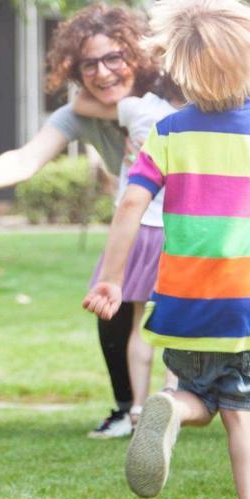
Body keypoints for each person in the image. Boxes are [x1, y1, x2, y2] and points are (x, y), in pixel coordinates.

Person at [83, 0, 250, 499]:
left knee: (199, 395)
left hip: (185, 300)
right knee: (243, 410)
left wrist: (112, 278)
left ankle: (171, 406)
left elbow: (131, 206)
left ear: (180, 67)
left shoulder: (167, 132)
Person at [0, 4, 173, 438]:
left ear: (135, 56)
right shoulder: (79, 112)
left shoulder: (166, 97)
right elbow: (28, 157)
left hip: (195, 216)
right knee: (110, 307)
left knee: (232, 299)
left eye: (112, 58)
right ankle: (128, 410)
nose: (102, 73)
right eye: (88, 64)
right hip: (140, 221)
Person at [72, 75, 186, 422]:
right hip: (175, 229)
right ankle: (170, 396)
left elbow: (79, 104)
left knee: (139, 322)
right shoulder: (196, 120)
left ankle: (137, 407)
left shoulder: (138, 109)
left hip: (135, 228)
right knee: (173, 322)